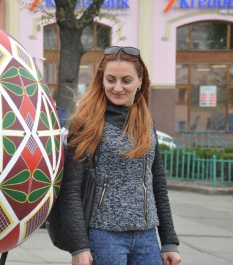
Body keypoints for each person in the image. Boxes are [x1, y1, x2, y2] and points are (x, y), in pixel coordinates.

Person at [59, 46, 182, 265]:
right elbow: (71, 189)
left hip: (146, 236)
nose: (117, 87)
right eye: (111, 80)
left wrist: (169, 241)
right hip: (104, 235)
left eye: (126, 80)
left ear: (140, 82)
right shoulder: (86, 124)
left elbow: (157, 183)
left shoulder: (146, 122)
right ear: (102, 81)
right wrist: (79, 246)